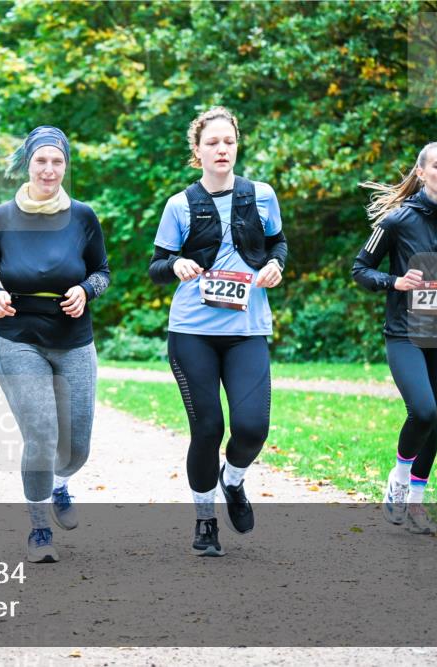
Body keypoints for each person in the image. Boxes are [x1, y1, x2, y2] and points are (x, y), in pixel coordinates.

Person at [148, 106, 288, 557]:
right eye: (212, 142)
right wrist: (176, 264)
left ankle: (234, 480)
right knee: (208, 428)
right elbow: (156, 266)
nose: (222, 149)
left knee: (252, 428)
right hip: (192, 331)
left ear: (236, 145)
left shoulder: (262, 195)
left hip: (247, 330)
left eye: (228, 141)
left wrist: (275, 265)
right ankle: (205, 519)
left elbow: (278, 243)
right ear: (198, 150)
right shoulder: (180, 204)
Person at [0, 126, 110, 563]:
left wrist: (86, 290)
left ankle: (59, 483)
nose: (49, 169)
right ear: (28, 165)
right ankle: (39, 528)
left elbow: (103, 272)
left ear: (66, 166)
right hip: (17, 337)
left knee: (77, 445)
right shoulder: (0, 218)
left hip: (73, 338)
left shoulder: (84, 217)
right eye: (41, 161)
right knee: (42, 433)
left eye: (57, 161)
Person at [353, 141, 437, 535]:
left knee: (435, 419)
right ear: (421, 173)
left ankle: (417, 504)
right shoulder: (396, 221)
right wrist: (396, 281)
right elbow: (360, 269)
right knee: (421, 410)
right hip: (404, 334)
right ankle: (399, 479)